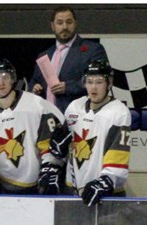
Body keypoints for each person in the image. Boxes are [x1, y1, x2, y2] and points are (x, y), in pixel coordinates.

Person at [0, 59, 64, 195]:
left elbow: (48, 145)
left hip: (37, 184)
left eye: (5, 77)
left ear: (13, 79)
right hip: (2, 186)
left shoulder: (36, 105)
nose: (1, 83)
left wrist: (50, 168)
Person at [49, 60, 131, 206]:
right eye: (89, 81)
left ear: (109, 83)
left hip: (105, 193)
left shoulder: (119, 112)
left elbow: (118, 156)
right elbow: (63, 148)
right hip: (72, 189)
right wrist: (57, 153)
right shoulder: (74, 107)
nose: (94, 87)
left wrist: (105, 182)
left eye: (99, 82)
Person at [29, 5, 109, 114]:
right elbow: (33, 81)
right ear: (53, 26)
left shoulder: (93, 50)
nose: (65, 27)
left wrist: (68, 87)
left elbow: (101, 81)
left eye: (69, 22)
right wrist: (34, 88)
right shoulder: (44, 55)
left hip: (79, 117)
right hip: (46, 119)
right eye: (60, 23)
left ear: (75, 23)